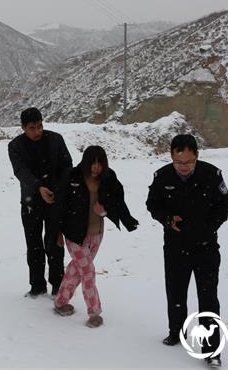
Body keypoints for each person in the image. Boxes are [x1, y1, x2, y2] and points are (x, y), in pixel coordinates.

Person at [146, 134, 228, 368]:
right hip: (175, 247)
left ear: (197, 156)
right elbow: (152, 204)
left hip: (206, 248)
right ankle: (176, 332)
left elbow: (225, 204)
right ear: (171, 157)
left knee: (208, 298)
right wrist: (166, 219)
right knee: (175, 293)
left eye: (188, 162)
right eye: (178, 162)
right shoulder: (162, 177)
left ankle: (212, 350)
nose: (183, 167)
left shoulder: (211, 175)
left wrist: (209, 226)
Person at [53, 146, 139, 328]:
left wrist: (107, 212)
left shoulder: (109, 177)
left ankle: (61, 301)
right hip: (73, 234)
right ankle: (94, 312)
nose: (96, 167)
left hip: (96, 233)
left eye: (100, 163)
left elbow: (118, 201)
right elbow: (59, 205)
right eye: (93, 162)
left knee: (77, 268)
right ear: (85, 161)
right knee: (88, 271)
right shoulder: (72, 176)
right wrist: (57, 232)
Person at [8, 108, 73, 298]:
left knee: (54, 244)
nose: (37, 131)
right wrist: (38, 188)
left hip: (54, 200)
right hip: (30, 203)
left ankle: (58, 285)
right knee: (34, 245)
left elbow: (67, 166)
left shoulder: (55, 140)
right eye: (32, 128)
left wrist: (58, 190)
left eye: (40, 126)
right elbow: (21, 171)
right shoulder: (15, 146)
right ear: (23, 128)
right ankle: (37, 286)